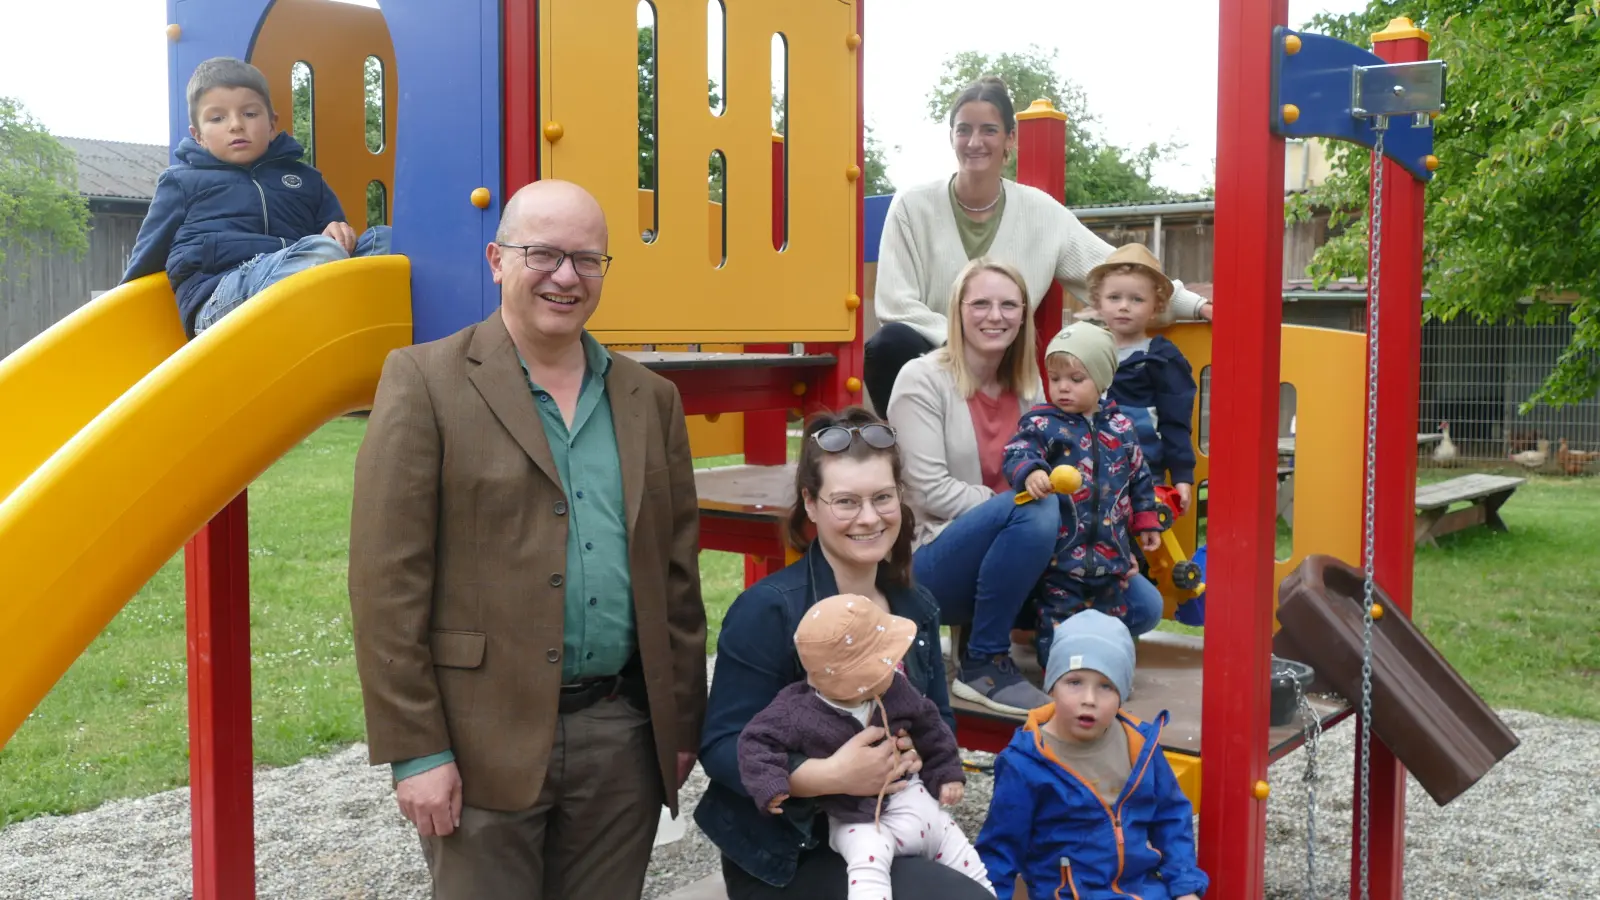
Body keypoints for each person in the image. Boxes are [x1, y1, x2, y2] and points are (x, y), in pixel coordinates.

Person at [347, 179, 706, 900]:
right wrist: (418, 750)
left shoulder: (650, 400)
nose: (566, 276)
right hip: (481, 740)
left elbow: (675, 577)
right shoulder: (425, 381)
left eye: (587, 259)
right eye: (542, 254)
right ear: (497, 260)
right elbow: (387, 583)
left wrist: (679, 724)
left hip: (621, 739)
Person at [695, 407, 993, 900]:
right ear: (810, 504)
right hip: (790, 849)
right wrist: (825, 776)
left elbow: (938, 715)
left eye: (882, 497)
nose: (870, 517)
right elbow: (723, 746)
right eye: (846, 502)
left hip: (887, 822)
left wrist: (917, 752)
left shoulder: (914, 605)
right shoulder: (769, 610)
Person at [865, 74, 1215, 416]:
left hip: (1000, 362)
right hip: (932, 359)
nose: (975, 142)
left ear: (1010, 139)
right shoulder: (913, 205)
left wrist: (1195, 304)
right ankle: (902, 457)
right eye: (964, 129)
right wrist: (958, 346)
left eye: (989, 130)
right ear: (951, 137)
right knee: (889, 344)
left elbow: (1116, 273)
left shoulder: (1041, 213)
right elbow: (896, 304)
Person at [737, 592, 993, 900]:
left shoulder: (895, 690)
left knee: (963, 857)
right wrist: (771, 783)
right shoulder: (795, 711)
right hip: (858, 818)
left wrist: (947, 772)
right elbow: (755, 741)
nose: (894, 668)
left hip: (915, 803)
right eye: (886, 663)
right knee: (867, 865)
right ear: (859, 678)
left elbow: (931, 725)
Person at [887, 258, 1058, 716]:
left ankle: (1036, 634)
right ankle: (982, 664)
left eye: (1008, 304)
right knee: (1037, 509)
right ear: (957, 311)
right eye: (980, 303)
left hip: (1003, 548)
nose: (994, 316)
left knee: (1139, 604)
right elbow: (927, 491)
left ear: (1024, 314)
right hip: (929, 557)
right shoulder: (921, 379)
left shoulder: (1028, 385)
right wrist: (1012, 506)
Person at [120, 57, 391, 338]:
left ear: (272, 124)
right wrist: (121, 316)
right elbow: (147, 254)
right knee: (322, 256)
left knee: (386, 240)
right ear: (198, 135)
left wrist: (339, 231)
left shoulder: (306, 180)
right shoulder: (182, 181)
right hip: (222, 296)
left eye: (250, 114)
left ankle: (363, 320)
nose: (236, 125)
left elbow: (337, 239)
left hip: (294, 275)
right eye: (217, 118)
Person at [975, 611, 1208, 900]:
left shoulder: (1140, 746)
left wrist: (1184, 886)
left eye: (1106, 686)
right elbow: (1000, 851)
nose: (1089, 699)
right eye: (1074, 682)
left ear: (1123, 694)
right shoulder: (1026, 763)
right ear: (1051, 686)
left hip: (1142, 890)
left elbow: (1171, 816)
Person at [1001, 322, 1165, 667]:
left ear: (1102, 380)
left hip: (1112, 559)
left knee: (1111, 626)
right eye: (1056, 378)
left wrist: (1147, 520)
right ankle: (1061, 676)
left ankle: (1107, 675)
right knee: (1057, 624)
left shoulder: (1122, 428)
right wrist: (1031, 471)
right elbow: (1018, 451)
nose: (1063, 388)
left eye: (1076, 380)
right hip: (1061, 559)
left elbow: (1140, 478)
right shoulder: (1042, 423)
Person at [1092, 243, 1198, 515]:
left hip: (1143, 471)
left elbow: (1175, 421)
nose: (1124, 306)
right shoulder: (1086, 349)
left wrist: (1182, 475)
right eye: (1114, 298)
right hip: (1089, 470)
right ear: (1098, 302)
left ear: (1155, 307)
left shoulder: (1160, 357)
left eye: (1137, 299)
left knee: (1142, 539)